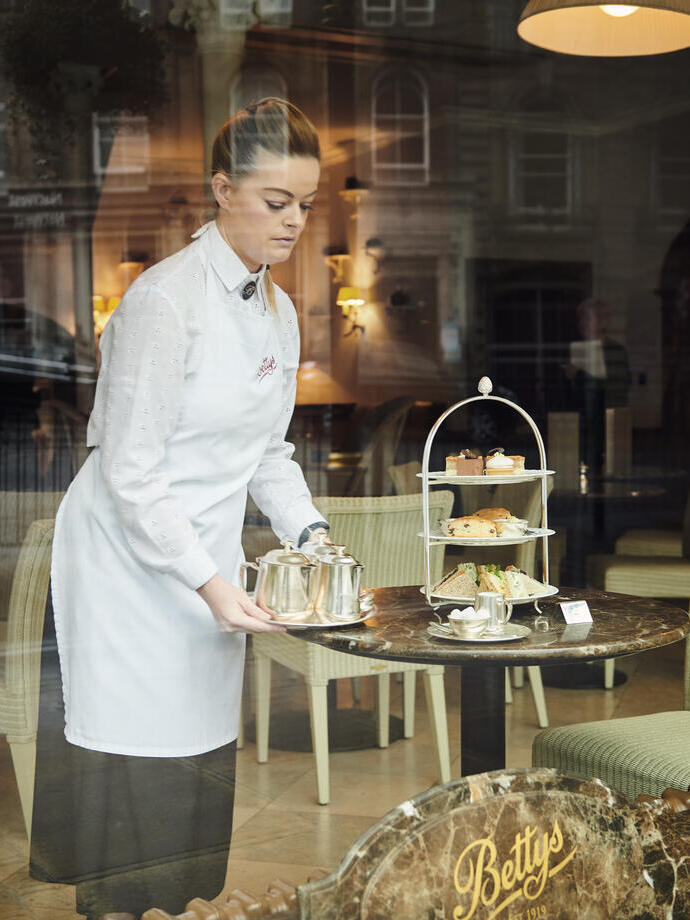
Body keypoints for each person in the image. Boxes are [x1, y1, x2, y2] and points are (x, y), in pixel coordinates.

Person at [30, 98, 329, 920]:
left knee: (192, 761)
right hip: (128, 567)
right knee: (133, 769)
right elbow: (129, 471)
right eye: (277, 203)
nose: (295, 221)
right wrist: (207, 580)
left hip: (204, 568)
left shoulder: (280, 312)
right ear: (222, 190)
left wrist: (316, 537)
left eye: (306, 204)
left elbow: (268, 453)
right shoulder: (164, 301)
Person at [562, 297, 630, 476]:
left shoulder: (616, 351)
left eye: (588, 318)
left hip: (607, 424)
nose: (582, 324)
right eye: (581, 319)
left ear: (603, 322)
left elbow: (619, 387)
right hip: (576, 425)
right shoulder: (571, 348)